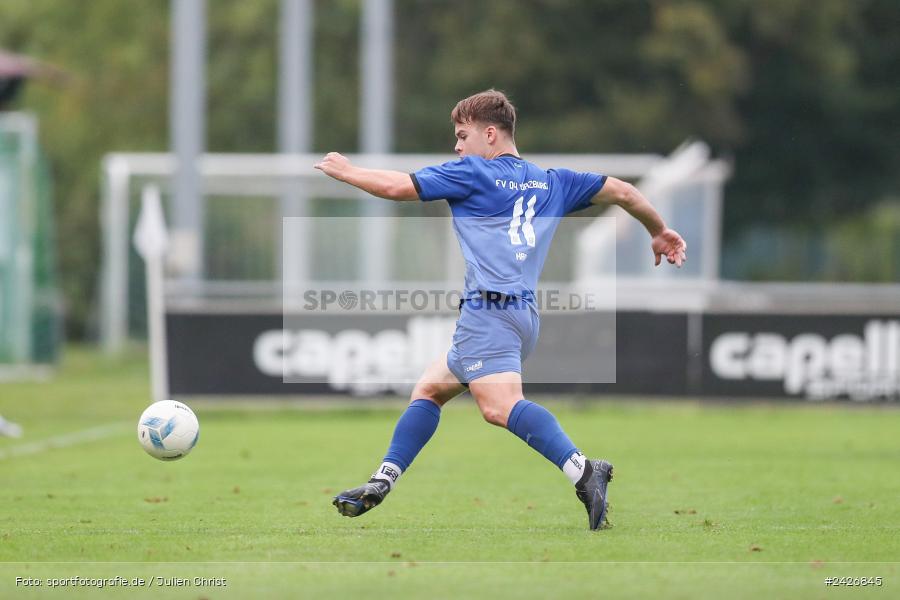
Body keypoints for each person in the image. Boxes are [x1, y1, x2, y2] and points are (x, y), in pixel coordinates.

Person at [314, 89, 686, 530]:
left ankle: (583, 469)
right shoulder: (554, 181)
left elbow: (397, 187)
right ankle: (382, 480)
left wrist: (347, 171)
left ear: (489, 134)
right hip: (523, 316)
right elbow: (624, 191)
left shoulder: (472, 173)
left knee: (499, 407)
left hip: (488, 311)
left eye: (462, 135)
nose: (457, 146)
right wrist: (659, 231)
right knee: (431, 390)